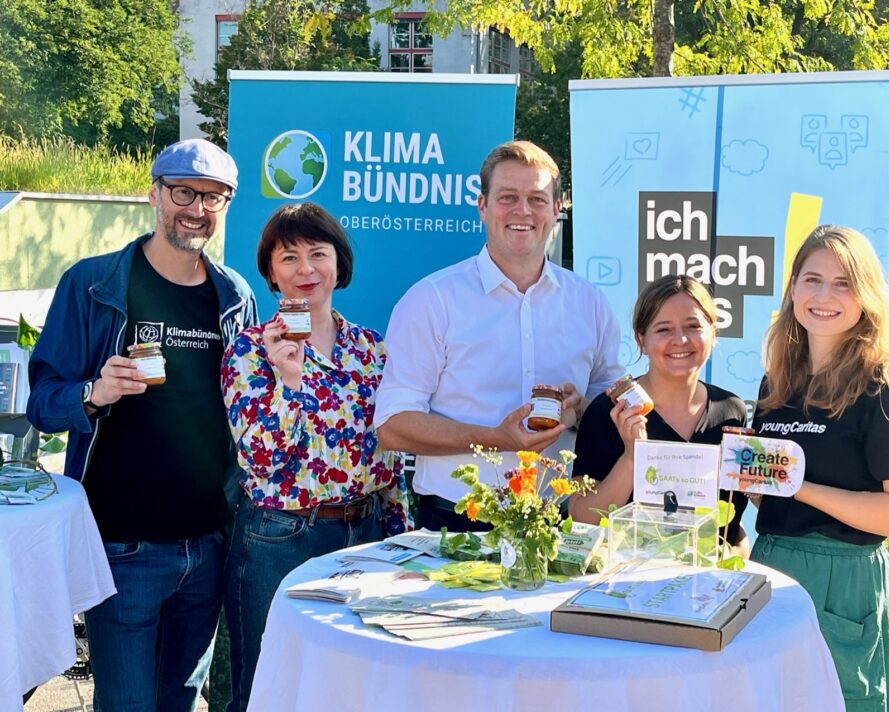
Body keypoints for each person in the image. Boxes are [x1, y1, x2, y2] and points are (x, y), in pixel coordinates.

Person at [26, 138, 259, 711]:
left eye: (214, 197)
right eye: (184, 191)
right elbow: (43, 402)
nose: (197, 208)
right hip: (121, 549)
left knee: (179, 704)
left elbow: (247, 411)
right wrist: (95, 392)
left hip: (205, 546)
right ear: (154, 193)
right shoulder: (93, 284)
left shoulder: (234, 296)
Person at [375, 140, 623, 532]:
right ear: (482, 206)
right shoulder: (432, 300)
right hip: (457, 519)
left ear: (557, 209)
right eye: (508, 197)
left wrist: (582, 410)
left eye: (537, 199)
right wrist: (494, 438)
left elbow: (613, 412)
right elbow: (392, 425)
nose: (523, 211)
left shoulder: (589, 303)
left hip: (561, 520)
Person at [221, 202, 411, 712]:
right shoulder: (249, 350)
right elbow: (262, 458)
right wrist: (289, 380)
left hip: (364, 533)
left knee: (354, 682)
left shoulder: (371, 349)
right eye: (288, 257)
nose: (305, 270)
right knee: (269, 683)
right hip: (279, 537)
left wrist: (399, 531)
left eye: (317, 254)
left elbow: (387, 452)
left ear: (338, 264)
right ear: (269, 271)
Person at [749, 225, 889, 712]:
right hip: (771, 565)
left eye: (843, 283)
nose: (824, 296)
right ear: (792, 290)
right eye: (812, 279)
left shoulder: (886, 388)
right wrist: (755, 480)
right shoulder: (778, 382)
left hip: (845, 582)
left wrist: (800, 487)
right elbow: (772, 496)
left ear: (867, 295)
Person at [569, 274, 749, 553]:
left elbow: (732, 530)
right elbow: (582, 518)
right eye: (664, 329)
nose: (680, 339)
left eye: (693, 326)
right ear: (642, 340)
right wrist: (632, 457)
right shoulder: (610, 412)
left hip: (706, 586)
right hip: (625, 586)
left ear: (713, 333)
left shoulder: (731, 412)